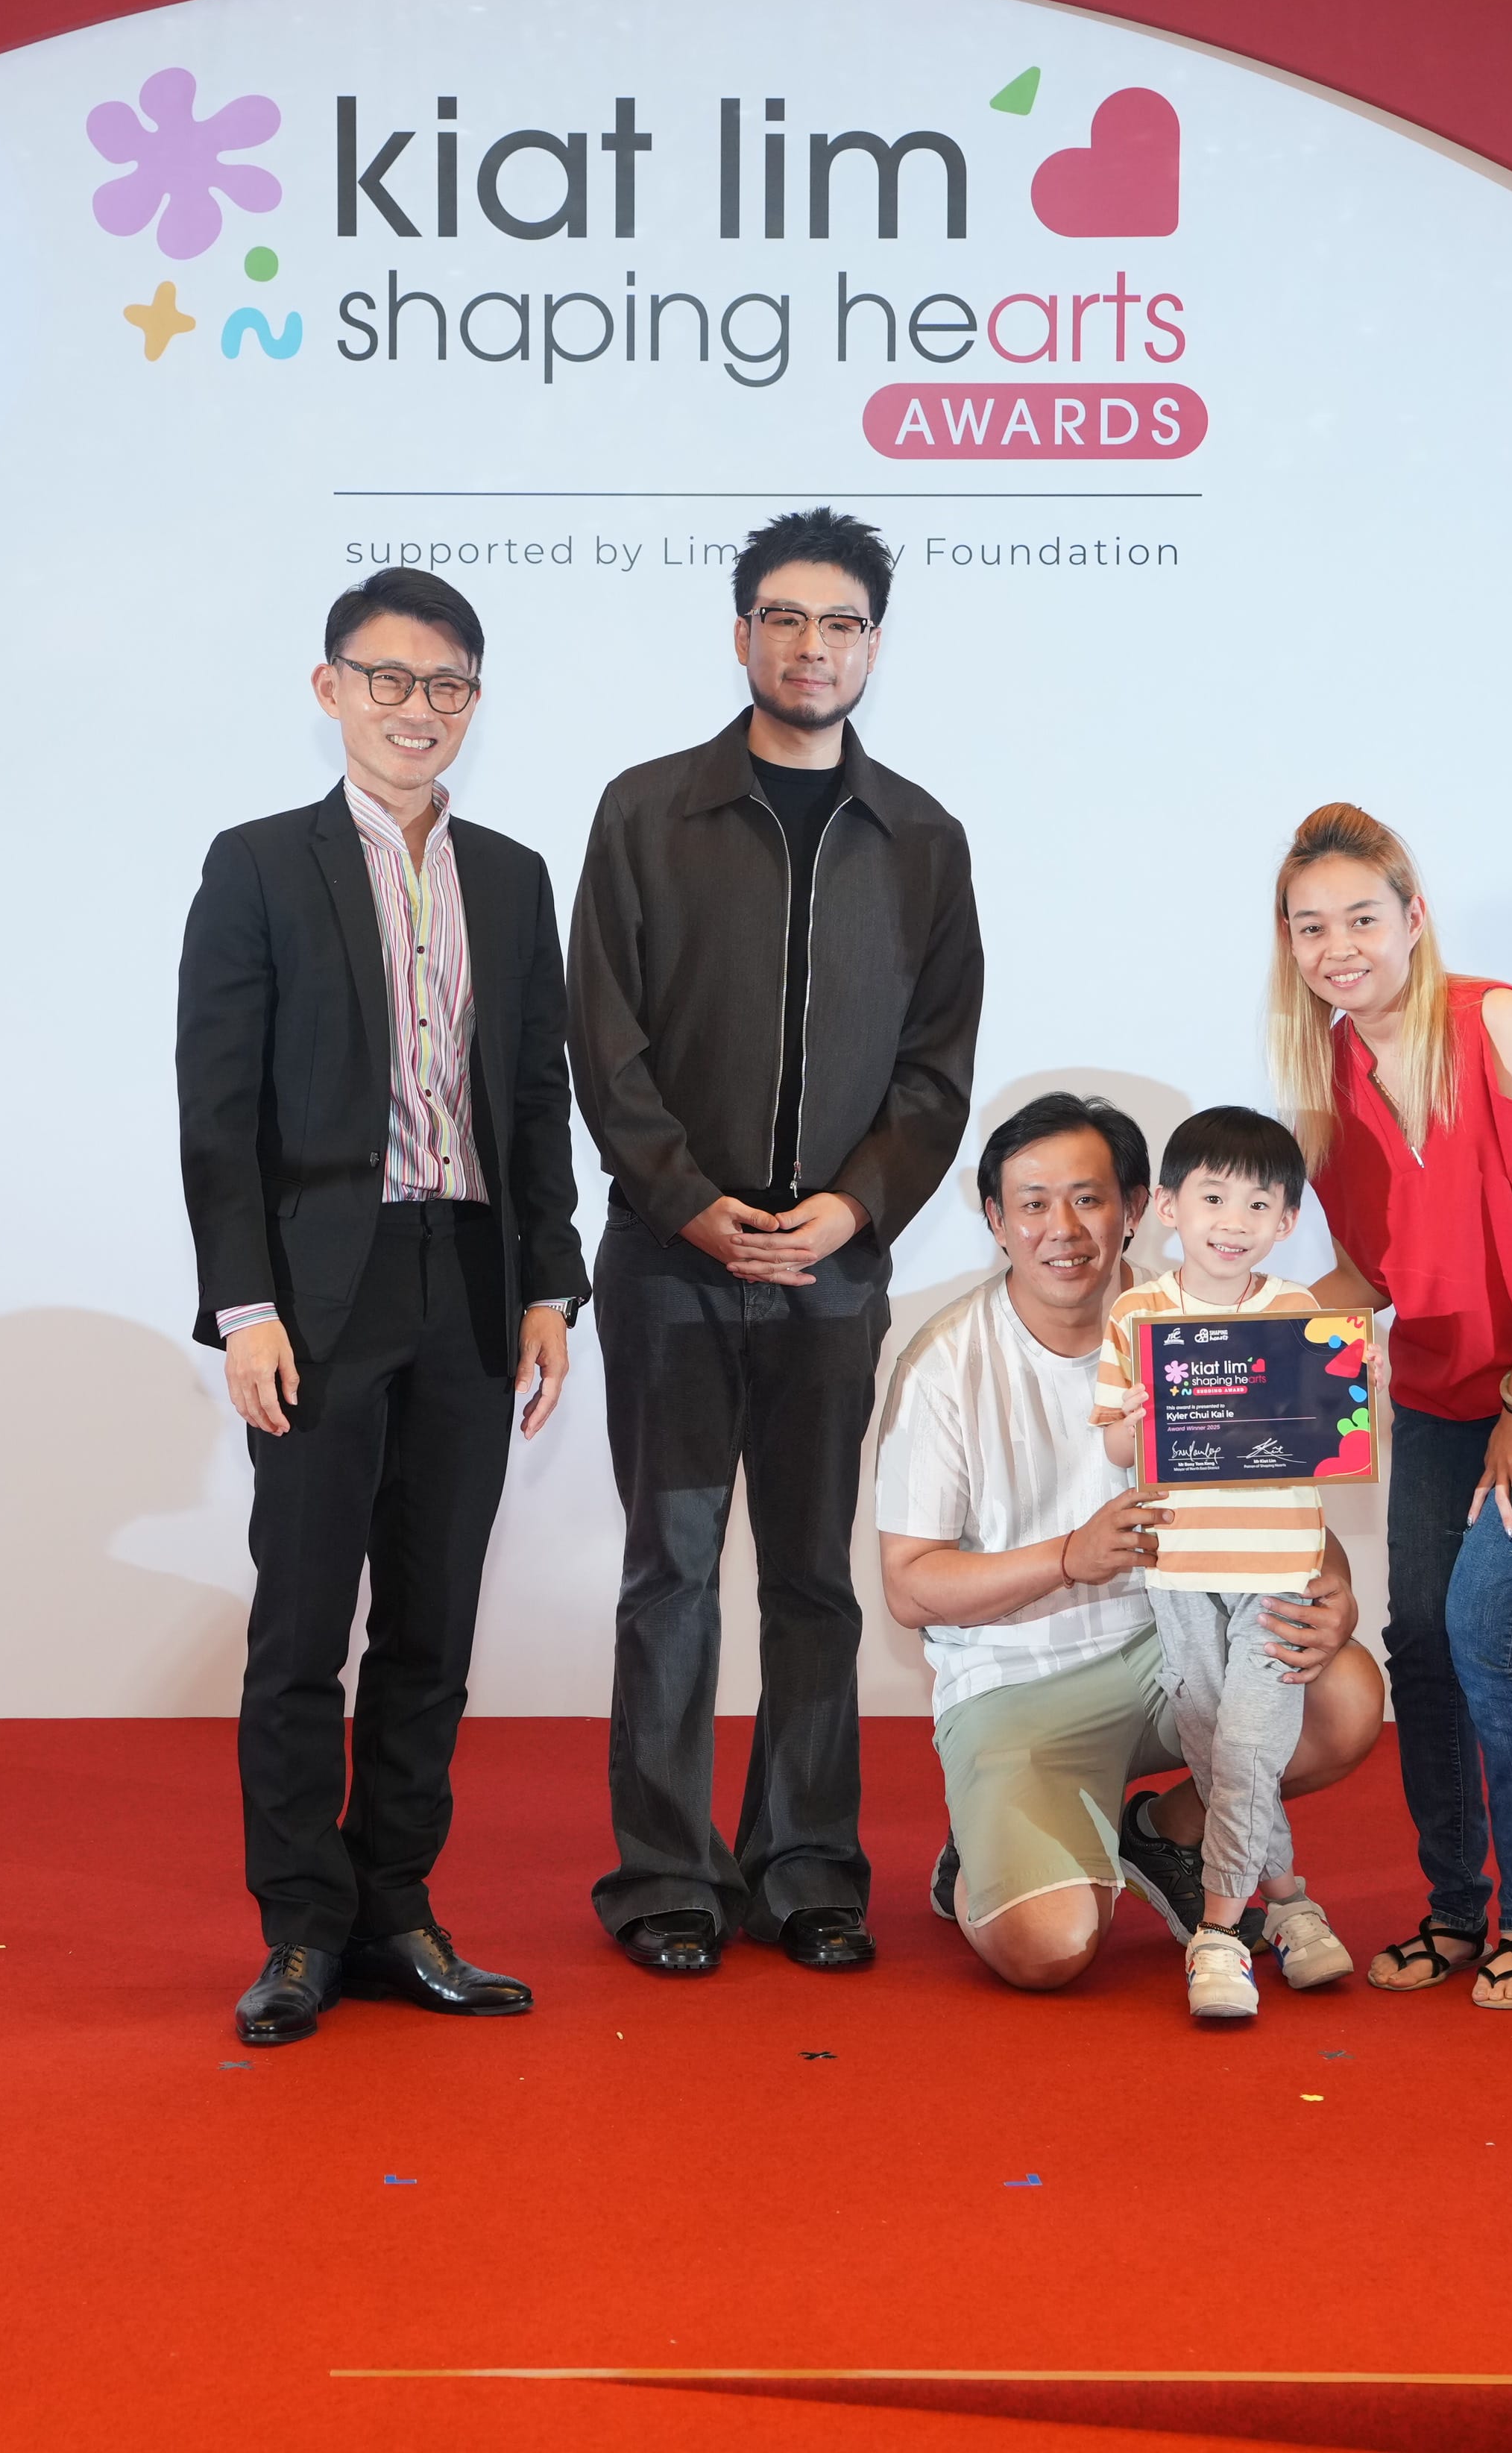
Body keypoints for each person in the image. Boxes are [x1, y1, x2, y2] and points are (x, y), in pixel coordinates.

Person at [176, 568, 588, 2049]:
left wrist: (551, 1281)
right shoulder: (259, 868)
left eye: (449, 687)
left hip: (472, 1284)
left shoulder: (522, 878)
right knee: (301, 1627)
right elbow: (217, 1114)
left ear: (475, 704)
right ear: (330, 688)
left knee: (432, 1623)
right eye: (390, 680)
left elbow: (537, 1097)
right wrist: (246, 1309)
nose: (420, 711)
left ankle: (396, 1909)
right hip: (319, 1300)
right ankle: (299, 1929)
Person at [570, 507, 984, 1977]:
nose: (815, 648)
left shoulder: (922, 840)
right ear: (742, 631)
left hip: (833, 1273)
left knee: (812, 1575)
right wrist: (693, 1202)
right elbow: (604, 1048)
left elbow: (939, 1070)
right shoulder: (646, 813)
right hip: (672, 1263)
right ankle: (666, 1874)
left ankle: (806, 1865)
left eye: (844, 625)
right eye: (788, 620)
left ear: (876, 642)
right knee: (671, 1569)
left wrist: (851, 1207)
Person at [1274, 803, 1512, 2014]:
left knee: (1488, 1621)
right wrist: (1229, 1327)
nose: (1338, 945)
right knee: (1423, 1641)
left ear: (1413, 918)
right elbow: (1376, 1276)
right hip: (1445, 1382)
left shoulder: (1493, 1017)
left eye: (1360, 916)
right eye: (1308, 926)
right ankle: (1453, 1909)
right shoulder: (1326, 1077)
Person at [872, 1092, 1383, 1996]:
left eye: (1089, 1198)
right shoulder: (946, 1363)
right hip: (1016, 1684)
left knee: (1342, 1693)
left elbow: (1277, 1487)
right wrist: (1070, 1555)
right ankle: (1002, 1835)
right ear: (994, 1219)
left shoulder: (1209, 1318)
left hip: (1172, 1644)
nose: (1062, 1228)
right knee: (1052, 1950)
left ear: (1141, 1207)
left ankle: (1166, 1833)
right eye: (1032, 1204)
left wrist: (1332, 1584)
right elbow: (910, 1589)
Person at [1088, 1105, 1355, 2023]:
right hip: (1178, 1565)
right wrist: (1138, 1424)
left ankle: (1218, 1934)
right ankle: (1290, 1901)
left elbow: (1331, 1440)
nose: (1231, 1222)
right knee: (1209, 1736)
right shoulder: (1137, 1313)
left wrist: (1340, 1406)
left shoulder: (1298, 1314)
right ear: (1168, 1206)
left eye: (1258, 1205)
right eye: (1211, 1197)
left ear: (1286, 1223)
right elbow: (1120, 1454)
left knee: (1247, 1742)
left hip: (1278, 1567)